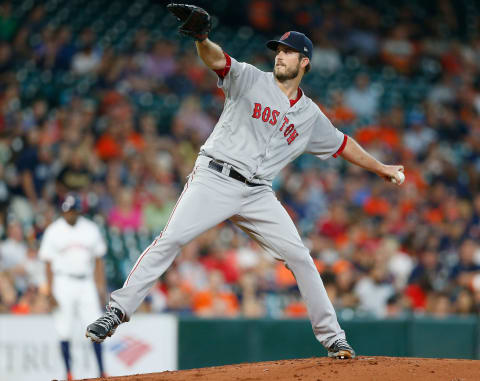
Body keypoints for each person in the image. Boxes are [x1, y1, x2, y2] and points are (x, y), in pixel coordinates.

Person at [86, 4, 404, 360]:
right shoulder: (251, 78)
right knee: (171, 237)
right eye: (279, 50)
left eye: (288, 52)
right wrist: (201, 38)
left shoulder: (310, 116)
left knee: (300, 256)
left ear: (305, 63)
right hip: (215, 177)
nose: (280, 56)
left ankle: (334, 339)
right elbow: (218, 60)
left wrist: (381, 168)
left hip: (258, 193)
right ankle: (117, 311)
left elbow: (343, 144)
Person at [39, 194, 108, 380]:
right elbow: (47, 263)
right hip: (63, 282)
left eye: (72, 210)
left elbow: (99, 260)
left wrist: (100, 287)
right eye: (66, 210)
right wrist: (50, 291)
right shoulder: (54, 230)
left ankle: (102, 372)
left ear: (79, 210)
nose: (69, 214)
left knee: (96, 327)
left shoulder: (90, 229)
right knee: (64, 329)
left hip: (86, 282)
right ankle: (69, 373)